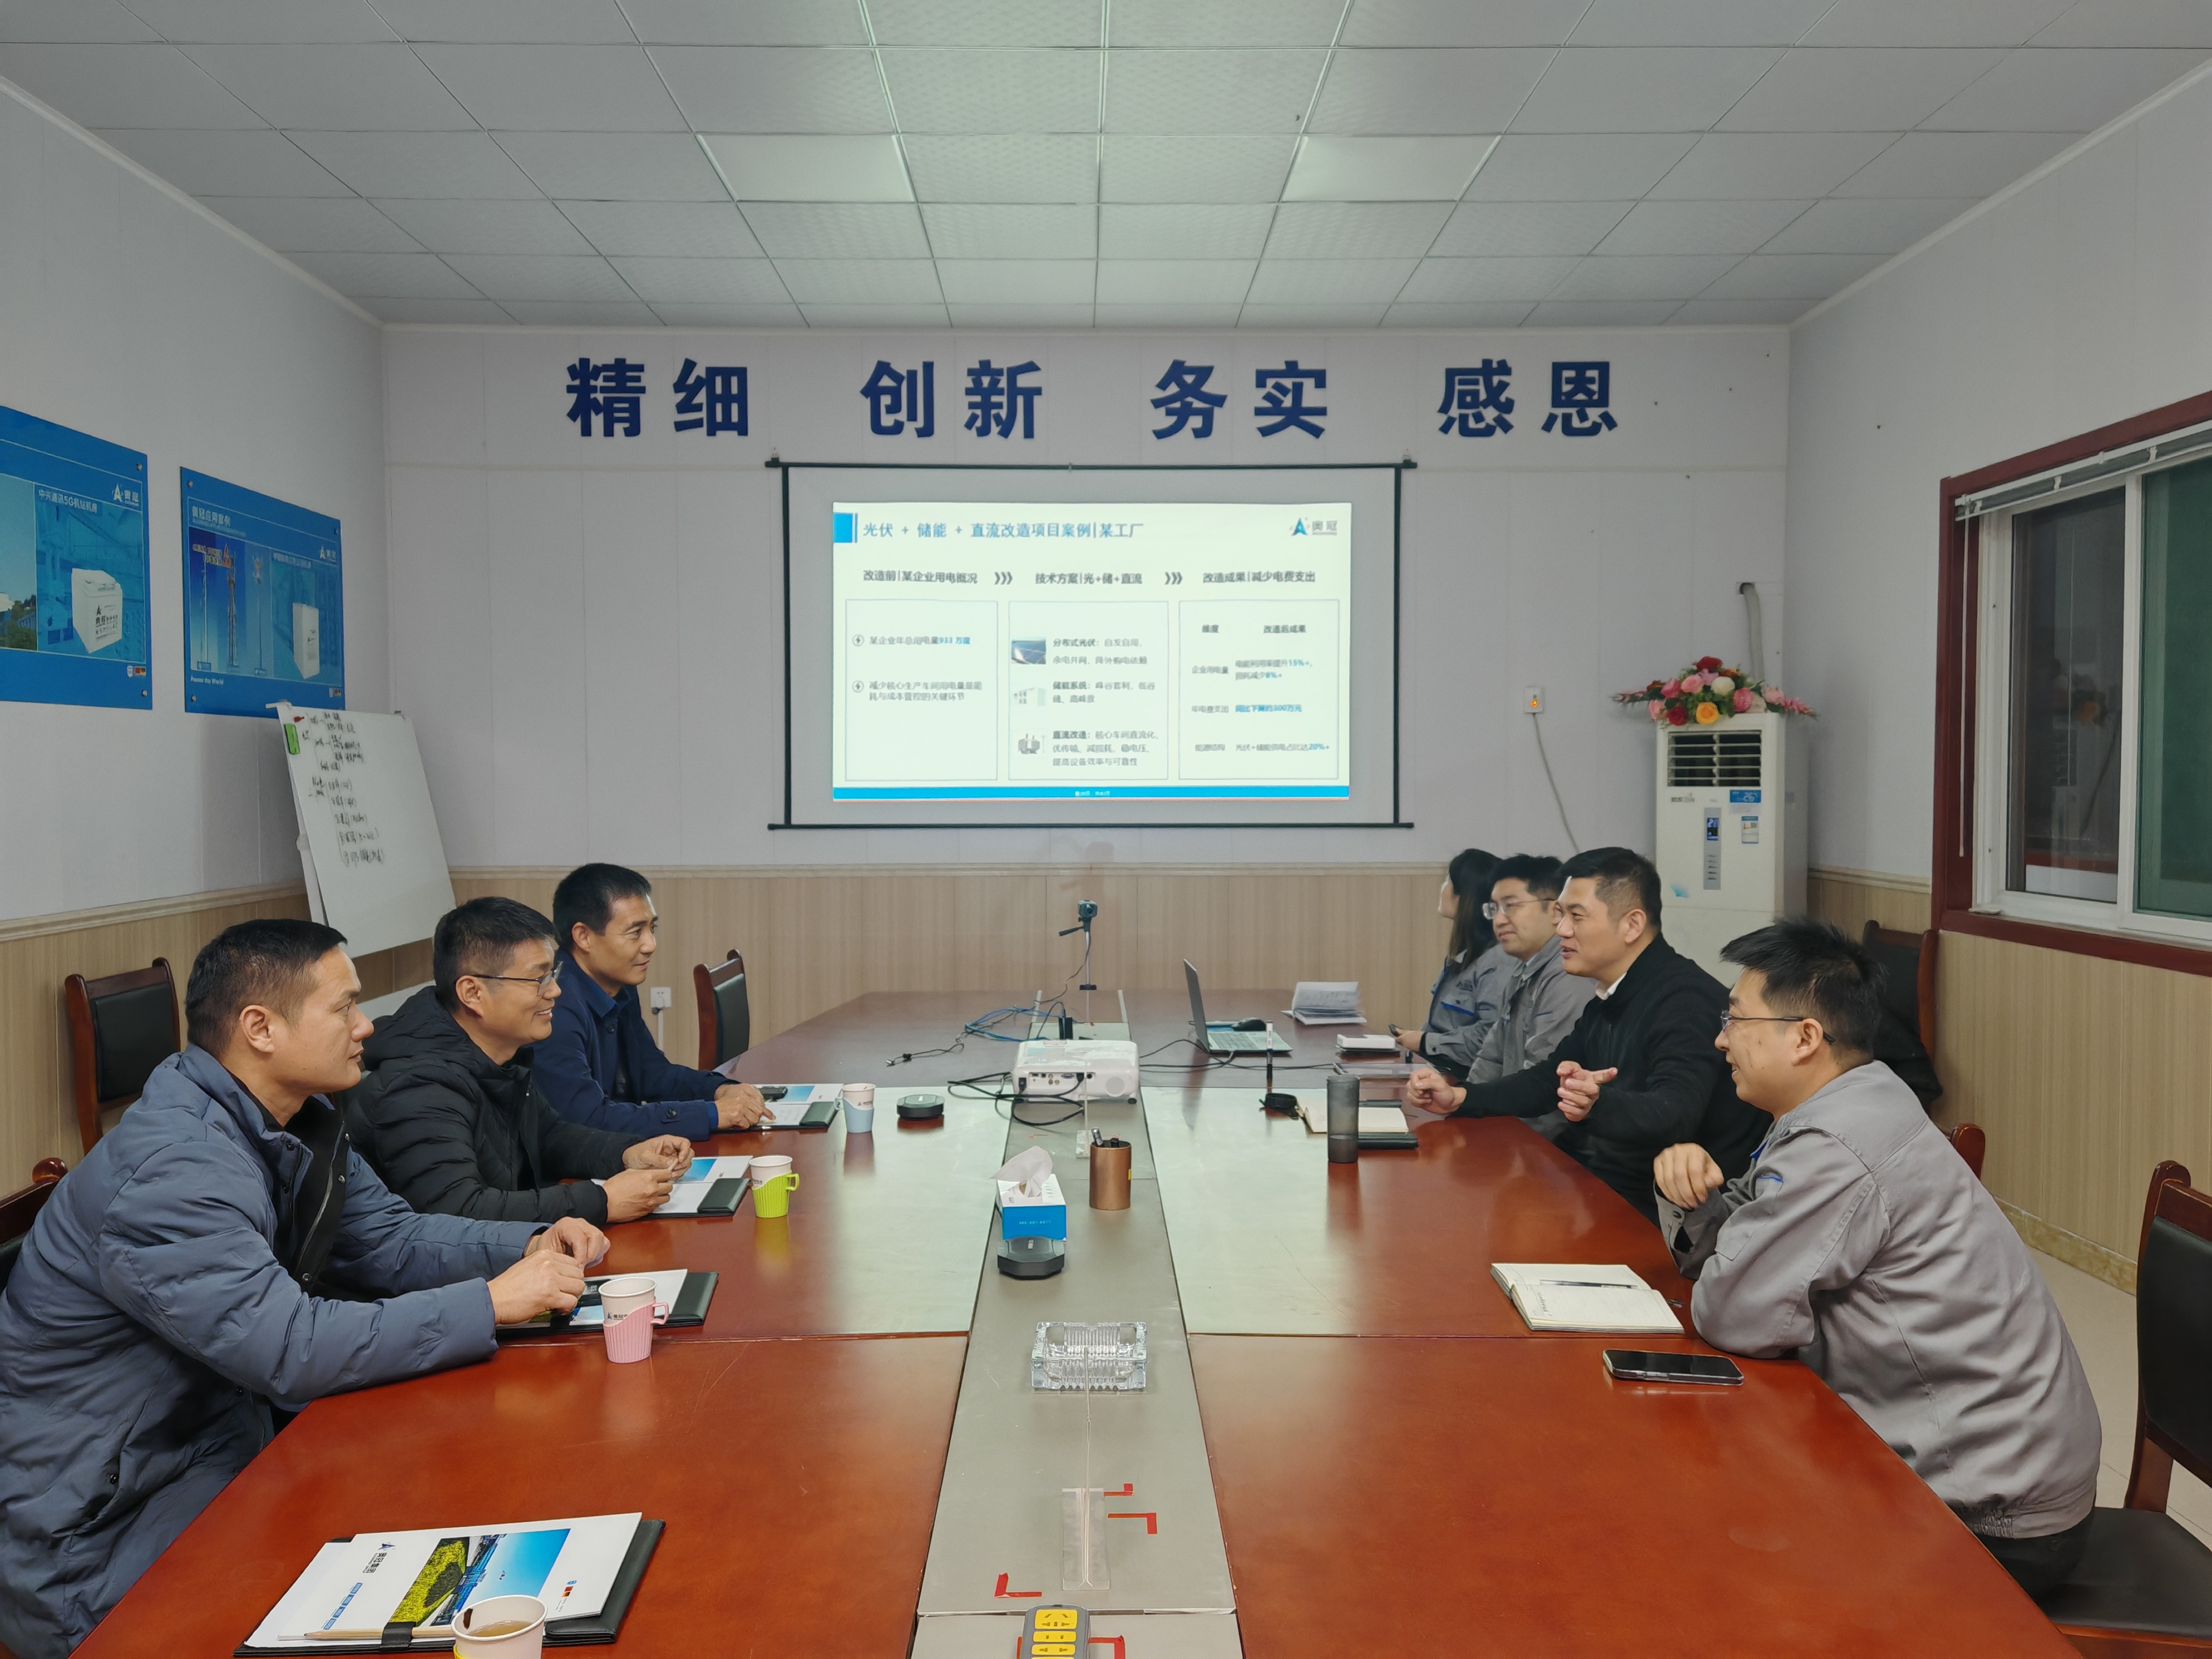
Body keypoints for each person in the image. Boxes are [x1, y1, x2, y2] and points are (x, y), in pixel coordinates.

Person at [0, 920, 601, 1659]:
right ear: (260, 1028)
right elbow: (289, 1348)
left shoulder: (295, 1120)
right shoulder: (174, 1170)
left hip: (221, 1464)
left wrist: (530, 1245)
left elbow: (391, 1239)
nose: (366, 1025)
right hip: (102, 1544)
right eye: (343, 1007)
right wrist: (491, 1302)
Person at [1652, 921, 2101, 1595]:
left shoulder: (1840, 1142)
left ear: (1804, 1037)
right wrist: (1686, 1189)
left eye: (1735, 1019)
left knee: (1724, 1547)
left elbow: (1731, 1313)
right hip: (2002, 1467)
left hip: (1992, 1516)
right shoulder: (1858, 1096)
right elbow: (1739, 1245)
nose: (1721, 1040)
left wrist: (1717, 1240)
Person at [1402, 846, 1770, 1220]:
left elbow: (1674, 1114)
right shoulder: (1614, 993)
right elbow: (1548, 1079)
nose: (1562, 930)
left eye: (1576, 916)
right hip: (1606, 1187)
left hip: (1670, 1215)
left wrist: (1597, 1102)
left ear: (1632, 925)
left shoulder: (1683, 1000)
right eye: (1561, 915)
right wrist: (1460, 1097)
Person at [349, 898, 696, 1226]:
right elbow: (459, 1212)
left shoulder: (500, 1050)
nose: (555, 990)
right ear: (472, 993)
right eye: (538, 978)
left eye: (553, 973)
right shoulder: (418, 1086)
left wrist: (627, 1153)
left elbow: (548, 1136)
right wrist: (603, 1201)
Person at [535, 863, 767, 1141]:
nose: (650, 945)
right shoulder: (554, 1005)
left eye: (651, 928)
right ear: (584, 937)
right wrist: (711, 1114)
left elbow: (650, 1072)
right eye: (636, 932)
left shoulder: (618, 983)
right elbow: (588, 1120)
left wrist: (719, 1089)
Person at [1450, 854, 1596, 1138]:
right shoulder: (1523, 969)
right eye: (1494, 908)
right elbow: (1491, 1058)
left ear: (1554, 911)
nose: (1499, 920)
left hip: (1547, 1145)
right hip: (1513, 1129)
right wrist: (1463, 1106)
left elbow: (1545, 1087)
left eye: (1511, 906)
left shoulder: (1568, 976)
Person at [1394, 847, 1514, 1073]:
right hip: (1441, 1070)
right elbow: (1440, 1028)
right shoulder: (1464, 956)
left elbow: (1491, 1037)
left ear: (1464, 895)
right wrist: (1415, 1040)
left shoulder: (1499, 960)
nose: (1443, 888)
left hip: (1470, 1081)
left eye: (1447, 880)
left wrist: (1424, 1042)